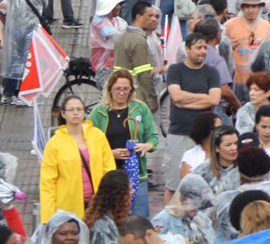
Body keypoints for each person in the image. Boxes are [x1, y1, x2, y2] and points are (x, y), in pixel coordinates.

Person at [87, 69, 160, 217]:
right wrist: (109, 153)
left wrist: (147, 146)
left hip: (136, 175)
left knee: (138, 220)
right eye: (117, 89)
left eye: (126, 89)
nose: (121, 93)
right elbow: (88, 145)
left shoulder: (141, 108)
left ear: (131, 90)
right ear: (109, 90)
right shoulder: (98, 112)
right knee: (111, 218)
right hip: (109, 177)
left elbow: (153, 137)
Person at [40, 95, 117, 222]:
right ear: (63, 114)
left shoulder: (97, 136)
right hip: (67, 207)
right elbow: (48, 182)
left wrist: (109, 200)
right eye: (71, 110)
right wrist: (47, 217)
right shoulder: (55, 143)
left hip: (97, 205)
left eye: (79, 109)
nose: (75, 113)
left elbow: (109, 170)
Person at [163, 33, 223, 196]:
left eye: (205, 48)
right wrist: (205, 97)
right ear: (187, 49)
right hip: (179, 133)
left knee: (206, 185)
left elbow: (215, 99)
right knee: (174, 185)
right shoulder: (176, 70)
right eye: (198, 47)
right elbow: (176, 96)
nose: (202, 51)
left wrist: (185, 101)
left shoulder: (211, 72)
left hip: (205, 137)